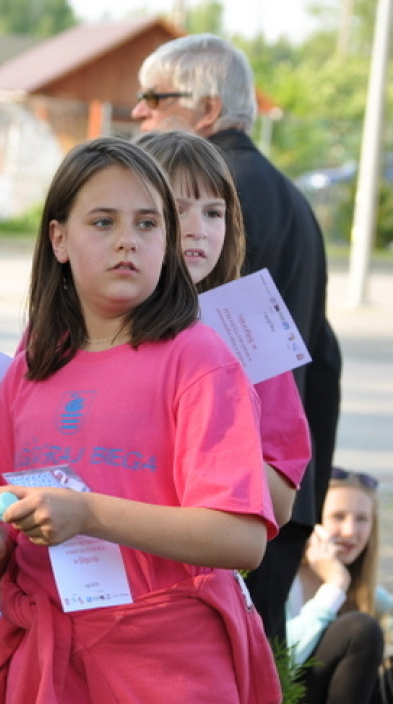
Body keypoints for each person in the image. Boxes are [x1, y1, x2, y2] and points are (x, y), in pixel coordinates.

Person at [0, 136, 279, 704]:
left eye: (147, 223)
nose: (128, 241)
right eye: (103, 222)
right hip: (53, 684)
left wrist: (89, 514)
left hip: (168, 681)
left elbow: (240, 538)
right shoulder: (30, 369)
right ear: (59, 239)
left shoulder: (198, 358)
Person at [132, 32, 343, 644]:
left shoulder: (217, 186)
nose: (140, 111)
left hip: (220, 500)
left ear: (207, 108)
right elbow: (323, 351)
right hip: (281, 478)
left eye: (154, 97)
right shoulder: (293, 196)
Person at [134, 130, 312, 527]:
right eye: (178, 209)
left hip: (193, 552)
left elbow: (282, 501)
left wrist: (207, 431)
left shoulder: (249, 330)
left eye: (214, 212)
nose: (198, 228)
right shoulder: (89, 317)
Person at [287, 468, 393, 704]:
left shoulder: (365, 590)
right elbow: (280, 666)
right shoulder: (285, 581)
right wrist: (334, 587)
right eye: (338, 516)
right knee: (359, 630)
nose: (350, 531)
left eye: (361, 519)